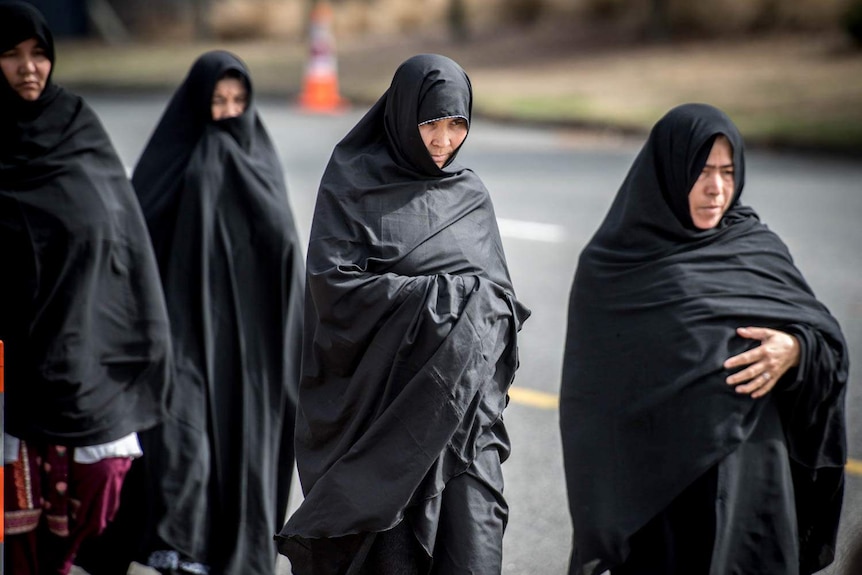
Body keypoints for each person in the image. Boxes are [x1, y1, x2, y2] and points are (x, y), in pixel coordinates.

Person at [559, 103, 849, 575]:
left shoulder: (756, 246)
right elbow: (592, 405)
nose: (717, 189)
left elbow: (827, 342)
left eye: (728, 171)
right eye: (701, 172)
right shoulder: (615, 263)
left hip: (757, 491)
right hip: (665, 504)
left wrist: (796, 350)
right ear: (670, 172)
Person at [275, 54, 530, 574]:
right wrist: (450, 298)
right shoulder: (353, 185)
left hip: (463, 426)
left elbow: (498, 301)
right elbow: (335, 289)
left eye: (457, 123)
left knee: (474, 558)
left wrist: (474, 306)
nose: (444, 140)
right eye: (430, 123)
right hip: (385, 425)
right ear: (401, 117)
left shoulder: (470, 195)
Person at [77, 50, 305, 575]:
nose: (227, 114)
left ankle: (217, 553)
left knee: (241, 450)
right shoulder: (170, 163)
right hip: (176, 332)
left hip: (246, 345)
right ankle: (176, 543)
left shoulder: (260, 167)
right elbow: (133, 244)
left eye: (237, 102)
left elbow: (285, 254)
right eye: (217, 101)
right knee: (182, 439)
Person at [0, 2, 172, 574]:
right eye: (11, 55)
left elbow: (122, 234)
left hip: (86, 346)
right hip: (11, 366)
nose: (29, 69)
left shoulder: (76, 125)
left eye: (39, 54)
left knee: (99, 483)